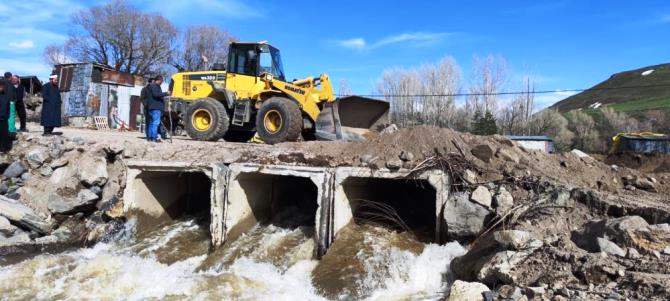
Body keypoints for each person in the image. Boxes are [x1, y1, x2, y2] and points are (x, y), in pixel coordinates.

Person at [146, 75, 169, 142]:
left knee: (152, 123)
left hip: (152, 107)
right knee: (155, 123)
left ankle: (150, 138)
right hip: (155, 107)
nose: (162, 82)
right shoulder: (154, 86)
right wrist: (165, 93)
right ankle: (153, 138)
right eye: (161, 81)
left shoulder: (153, 86)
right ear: (159, 80)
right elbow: (156, 95)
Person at [0, 80, 11, 153]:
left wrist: (7, 116)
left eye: (2, 86)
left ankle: (3, 149)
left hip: (3, 118)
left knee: (4, 134)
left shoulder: (6, 96)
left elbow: (7, 107)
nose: (1, 88)